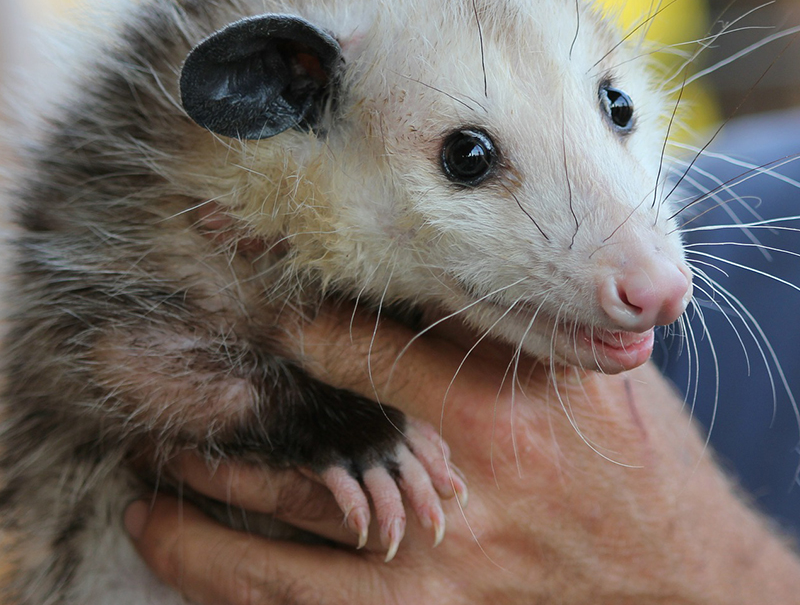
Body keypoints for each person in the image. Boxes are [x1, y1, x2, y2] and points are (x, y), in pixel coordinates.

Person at [123, 112, 800, 603]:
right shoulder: (746, 208)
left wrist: (710, 576)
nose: (663, 287)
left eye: (616, 112)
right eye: (470, 157)